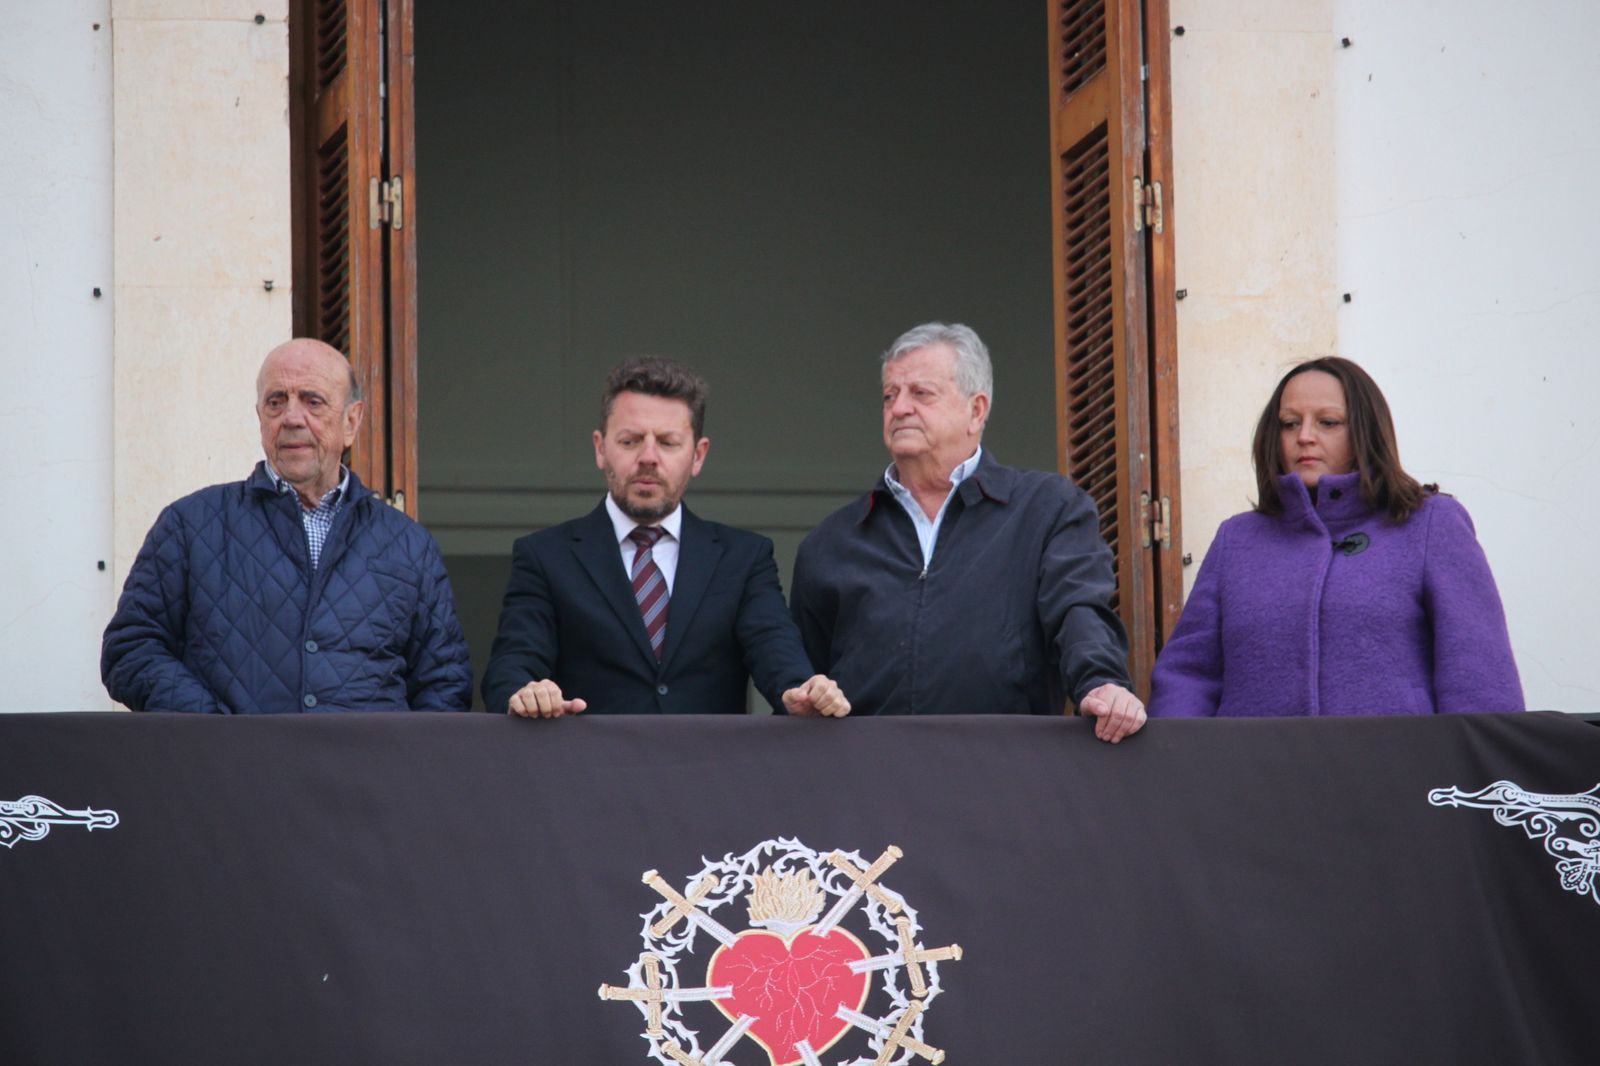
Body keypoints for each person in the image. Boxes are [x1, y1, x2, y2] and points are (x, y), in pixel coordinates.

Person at [788, 322, 1145, 742]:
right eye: (890, 395)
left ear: (976, 410)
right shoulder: (830, 542)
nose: (899, 408)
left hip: (1004, 774)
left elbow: (1079, 609)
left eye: (921, 394)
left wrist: (1100, 681)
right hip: (869, 784)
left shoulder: (1047, 508)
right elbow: (801, 676)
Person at [101, 338, 472, 714]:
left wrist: (398, 767)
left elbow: (444, 684)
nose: (292, 418)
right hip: (231, 769)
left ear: (351, 421)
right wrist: (212, 729)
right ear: (260, 418)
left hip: (366, 772)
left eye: (313, 401)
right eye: (276, 402)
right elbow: (131, 650)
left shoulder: (409, 545)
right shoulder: (189, 525)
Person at [1148, 357, 1524, 717]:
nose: (1305, 437)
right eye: (1289, 423)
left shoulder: (1431, 524)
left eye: (1328, 422)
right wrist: (1175, 766)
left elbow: (1479, 679)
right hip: (1252, 777)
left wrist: (1476, 776)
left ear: (1365, 430)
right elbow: (1189, 676)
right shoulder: (1237, 539)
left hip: (1397, 776)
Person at [481, 358, 849, 719]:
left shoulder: (744, 558)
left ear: (698, 455)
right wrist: (525, 692)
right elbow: (510, 668)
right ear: (600, 447)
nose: (648, 458)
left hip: (706, 775)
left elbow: (776, 651)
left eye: (668, 442)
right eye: (630, 440)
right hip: (589, 775)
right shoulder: (545, 556)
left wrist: (801, 692)